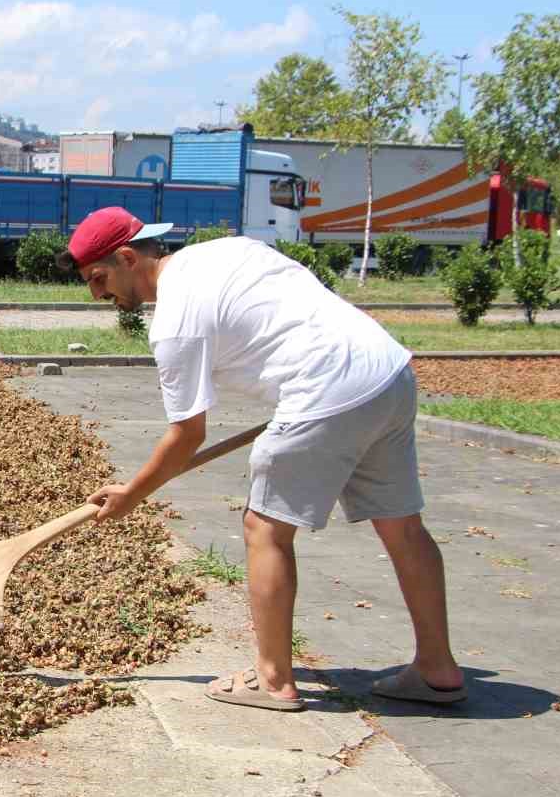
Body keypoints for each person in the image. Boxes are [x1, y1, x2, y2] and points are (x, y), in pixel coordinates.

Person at [63, 207, 466, 711]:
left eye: (99, 279)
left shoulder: (173, 323)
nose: (98, 294)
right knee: (403, 526)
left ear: (127, 256)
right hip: (386, 372)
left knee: (265, 529)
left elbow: (187, 434)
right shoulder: (225, 249)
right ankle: (437, 668)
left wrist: (132, 494)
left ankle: (273, 679)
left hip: (324, 388)